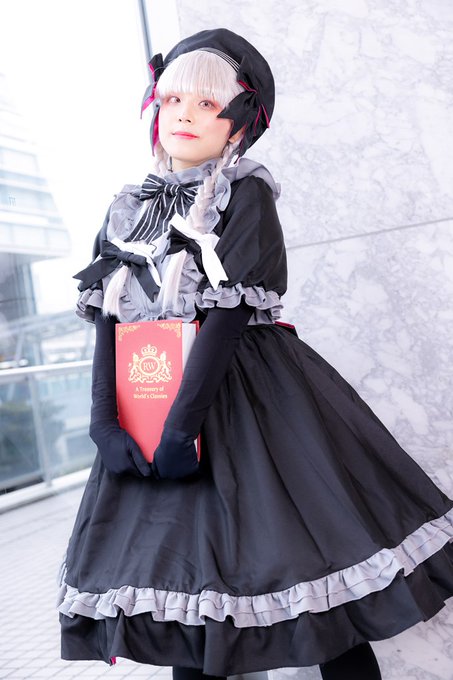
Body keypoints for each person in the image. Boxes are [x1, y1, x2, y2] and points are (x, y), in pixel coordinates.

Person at [59, 28, 453, 680]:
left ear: (240, 124)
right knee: (183, 605)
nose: (185, 114)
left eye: (207, 104)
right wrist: (104, 422)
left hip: (249, 404)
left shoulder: (245, 193)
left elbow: (227, 316)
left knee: (313, 580)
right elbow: (109, 313)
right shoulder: (127, 207)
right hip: (152, 400)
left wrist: (183, 427)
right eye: (173, 99)